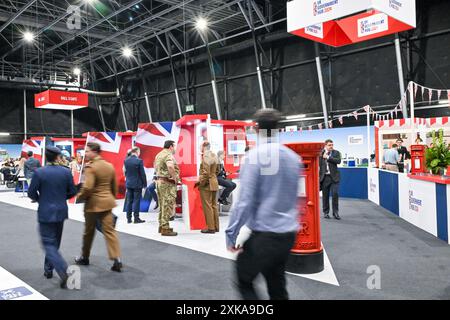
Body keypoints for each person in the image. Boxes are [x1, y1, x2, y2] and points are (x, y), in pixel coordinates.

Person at [225, 108, 300, 300]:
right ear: (278, 129)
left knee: (244, 279)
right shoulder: (293, 158)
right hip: (288, 234)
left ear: (256, 128)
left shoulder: (254, 157)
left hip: (265, 236)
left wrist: (231, 233)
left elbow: (245, 201)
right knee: (277, 286)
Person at [27, 146, 77, 288]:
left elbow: (31, 193)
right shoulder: (66, 172)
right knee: (54, 244)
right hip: (61, 212)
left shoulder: (39, 172)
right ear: (57, 157)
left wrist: (40, 199)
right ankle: (48, 270)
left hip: (45, 212)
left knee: (48, 244)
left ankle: (63, 271)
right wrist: (61, 198)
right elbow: (72, 192)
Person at [74, 142, 123, 272]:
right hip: (107, 203)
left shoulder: (91, 167)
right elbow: (114, 186)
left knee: (89, 232)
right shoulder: (109, 166)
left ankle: (84, 257)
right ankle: (116, 258)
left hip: (92, 205)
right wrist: (109, 198)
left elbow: (88, 187)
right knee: (109, 231)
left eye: (87, 151)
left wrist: (79, 196)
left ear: (94, 152)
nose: (85, 153)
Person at [154, 140, 180, 236]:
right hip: (167, 183)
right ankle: (165, 228)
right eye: (174, 146)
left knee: (162, 205)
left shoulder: (159, 155)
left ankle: (162, 226)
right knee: (167, 204)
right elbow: (170, 166)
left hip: (160, 182)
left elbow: (156, 167)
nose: (175, 149)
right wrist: (175, 178)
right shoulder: (168, 155)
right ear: (170, 147)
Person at [195, 142, 220, 233]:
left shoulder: (205, 156)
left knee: (207, 206)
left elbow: (205, 172)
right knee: (214, 206)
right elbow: (218, 170)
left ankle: (211, 228)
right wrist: (212, 177)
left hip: (207, 184)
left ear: (204, 147)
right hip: (214, 182)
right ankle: (216, 227)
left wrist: (201, 183)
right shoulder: (215, 155)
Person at [319, 139, 342, 220]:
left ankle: (335, 212)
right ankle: (326, 212)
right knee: (325, 196)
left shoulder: (336, 152)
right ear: (325, 145)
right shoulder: (320, 153)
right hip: (325, 177)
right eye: (329, 145)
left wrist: (328, 157)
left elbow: (338, 161)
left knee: (335, 194)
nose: (331, 146)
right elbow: (318, 164)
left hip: (334, 177)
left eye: (332, 145)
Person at [124, 147, 147, 224]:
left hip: (129, 183)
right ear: (137, 152)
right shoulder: (139, 161)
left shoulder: (126, 160)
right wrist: (145, 185)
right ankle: (136, 219)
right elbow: (142, 174)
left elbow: (126, 172)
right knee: (136, 201)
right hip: (137, 184)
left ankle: (128, 219)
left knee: (129, 201)